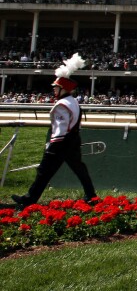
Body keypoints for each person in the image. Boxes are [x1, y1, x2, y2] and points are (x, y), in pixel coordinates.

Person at [12, 54, 97, 208]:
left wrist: (52, 145)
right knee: (79, 169)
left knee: (44, 171)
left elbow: (60, 128)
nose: (54, 90)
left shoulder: (61, 105)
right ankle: (91, 195)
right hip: (73, 140)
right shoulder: (74, 102)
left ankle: (29, 199)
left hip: (61, 143)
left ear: (62, 88)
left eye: (56, 87)